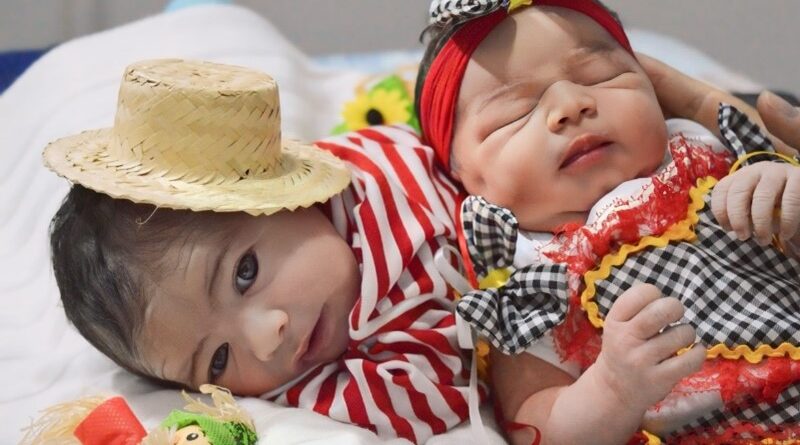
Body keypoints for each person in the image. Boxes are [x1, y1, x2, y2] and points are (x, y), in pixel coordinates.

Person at [414, 0, 800, 443]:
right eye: (514, 113)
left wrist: (782, 186)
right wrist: (612, 388)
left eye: (601, 76)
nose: (571, 105)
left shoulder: (719, 156)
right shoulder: (528, 284)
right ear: (462, 177)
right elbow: (533, 426)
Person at [45, 58, 475, 444]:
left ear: (284, 196)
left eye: (244, 274)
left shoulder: (382, 205)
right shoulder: (309, 265)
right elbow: (424, 399)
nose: (267, 341)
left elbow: (437, 395)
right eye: (218, 361)